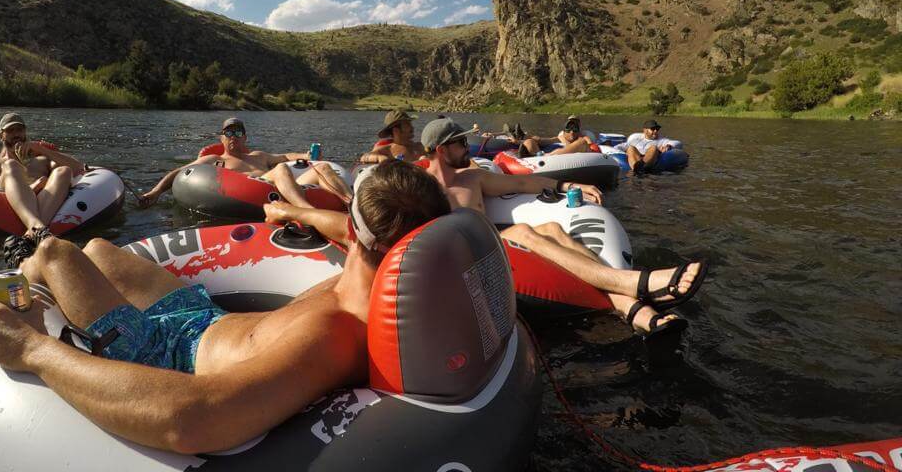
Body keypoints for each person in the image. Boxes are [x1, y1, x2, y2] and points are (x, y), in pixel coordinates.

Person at [0, 160, 449, 454]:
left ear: (358, 225)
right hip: (202, 319)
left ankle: (23, 285)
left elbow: (194, 420)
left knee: (56, 253)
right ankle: (32, 274)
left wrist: (33, 350)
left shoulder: (337, 333)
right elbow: (349, 229)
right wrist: (291, 211)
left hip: (166, 356)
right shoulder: (383, 266)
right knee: (99, 247)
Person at [421, 118, 707, 343]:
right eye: (460, 143)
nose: (466, 147)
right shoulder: (419, 189)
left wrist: (567, 185)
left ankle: (637, 310)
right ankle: (639, 285)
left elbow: (522, 184)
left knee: (554, 229)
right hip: (468, 254)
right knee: (523, 231)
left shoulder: (472, 178)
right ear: (442, 150)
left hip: (493, 240)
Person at [138, 117, 352, 208]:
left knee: (322, 167)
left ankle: (351, 203)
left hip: (279, 184)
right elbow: (179, 172)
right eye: (228, 133)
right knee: (279, 170)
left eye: (237, 132)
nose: (233, 136)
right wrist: (154, 193)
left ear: (245, 137)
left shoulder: (258, 156)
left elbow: (286, 157)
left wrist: (307, 156)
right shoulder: (215, 160)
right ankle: (307, 212)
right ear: (221, 138)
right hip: (250, 191)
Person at [0, 113, 85, 240]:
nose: (16, 134)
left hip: (44, 200)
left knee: (64, 171)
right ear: (1, 135)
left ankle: (34, 233)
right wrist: (32, 188)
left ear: (25, 132)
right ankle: (37, 228)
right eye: (10, 131)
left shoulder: (41, 160)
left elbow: (78, 167)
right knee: (11, 165)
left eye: (20, 130)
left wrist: (43, 149)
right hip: (12, 202)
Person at [358, 109, 424, 164]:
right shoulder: (388, 149)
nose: (412, 128)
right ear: (396, 131)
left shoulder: (419, 146)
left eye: (410, 124)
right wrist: (380, 158)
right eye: (407, 125)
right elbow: (364, 157)